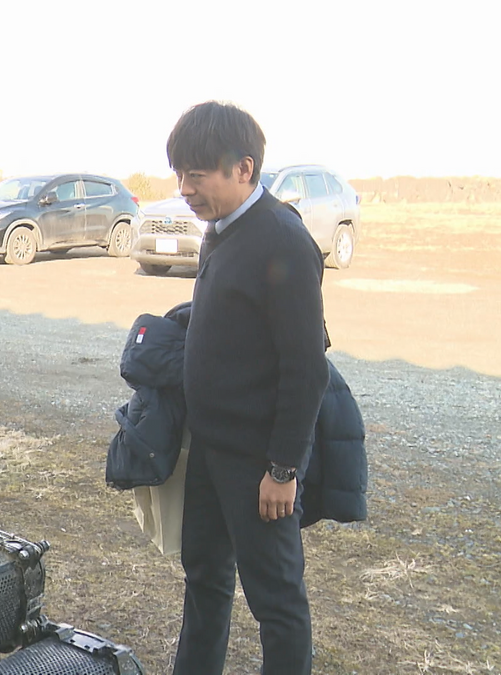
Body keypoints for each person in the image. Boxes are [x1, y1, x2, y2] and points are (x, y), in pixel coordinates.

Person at [169, 101, 329, 675]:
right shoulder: (221, 228)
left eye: (197, 174)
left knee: (277, 600)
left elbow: (307, 366)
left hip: (259, 461)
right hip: (212, 452)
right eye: (179, 174)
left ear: (244, 168)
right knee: (205, 577)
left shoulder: (280, 240)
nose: (185, 188)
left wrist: (284, 467)